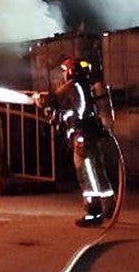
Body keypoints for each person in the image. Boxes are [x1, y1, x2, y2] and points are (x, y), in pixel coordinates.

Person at [33, 57, 116, 227]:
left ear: (71, 71)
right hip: (93, 134)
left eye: (65, 70)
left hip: (82, 136)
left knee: (86, 173)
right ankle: (109, 205)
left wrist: (37, 99)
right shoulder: (87, 86)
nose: (64, 74)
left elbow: (52, 100)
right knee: (98, 170)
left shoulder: (72, 86)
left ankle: (93, 213)